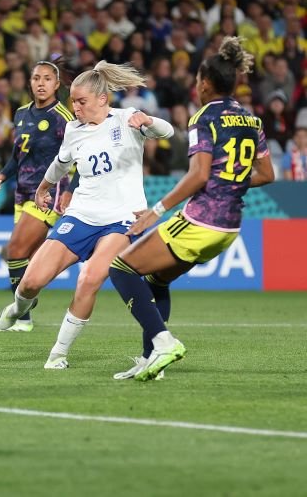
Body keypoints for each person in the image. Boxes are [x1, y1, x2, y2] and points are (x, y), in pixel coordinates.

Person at [108, 38, 275, 382]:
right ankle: (151, 359)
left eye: (199, 79)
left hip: (202, 220)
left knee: (121, 268)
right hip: (230, 227)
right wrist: (230, 183)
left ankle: (163, 342)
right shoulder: (252, 120)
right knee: (157, 278)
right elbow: (267, 175)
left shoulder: (204, 117)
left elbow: (198, 174)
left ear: (205, 82)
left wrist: (157, 210)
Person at [0, 61, 174, 369]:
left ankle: (58, 353)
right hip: (80, 215)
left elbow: (167, 130)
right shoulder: (74, 131)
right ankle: (18, 308)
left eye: (81, 102)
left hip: (122, 220)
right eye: (73, 102)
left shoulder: (126, 118)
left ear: (102, 99)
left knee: (89, 279)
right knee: (31, 283)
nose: (75, 108)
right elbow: (61, 164)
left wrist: (149, 121)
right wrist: (43, 188)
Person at [0, 60, 75, 333]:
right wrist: (4, 174)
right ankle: (26, 308)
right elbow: (19, 154)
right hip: (22, 192)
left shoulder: (62, 116)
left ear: (57, 84)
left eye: (47, 79)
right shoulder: (21, 114)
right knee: (26, 257)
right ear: (30, 82)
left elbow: (78, 153)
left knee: (15, 250)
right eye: (36, 78)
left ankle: (22, 315)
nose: (41, 83)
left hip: (49, 193)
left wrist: (70, 191)